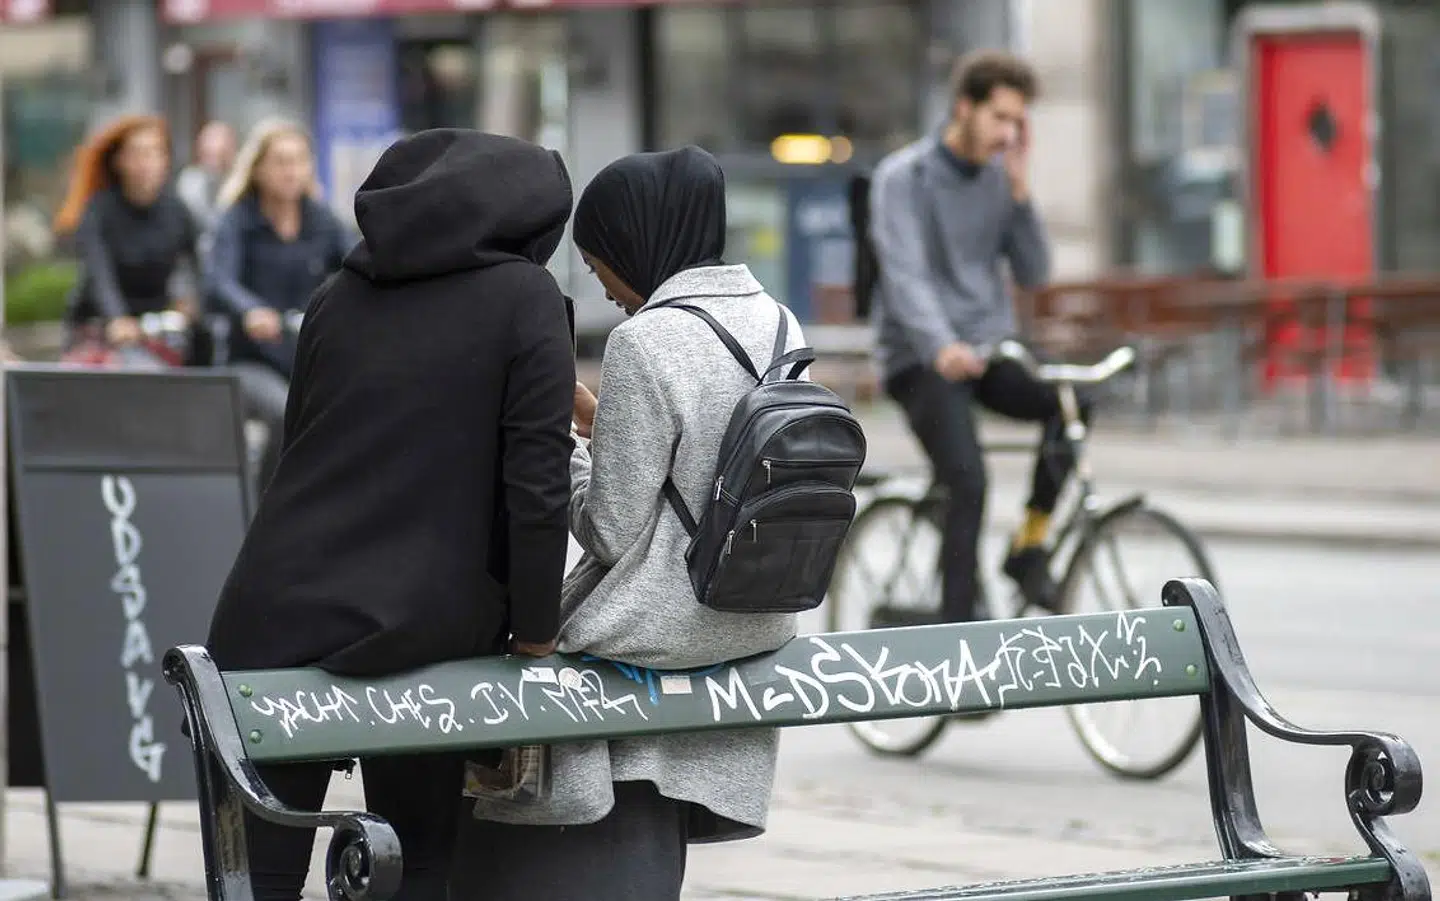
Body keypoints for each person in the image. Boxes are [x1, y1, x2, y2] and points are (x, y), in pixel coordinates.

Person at [203, 128, 576, 901]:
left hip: (272, 614)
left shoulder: (335, 296)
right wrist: (535, 633)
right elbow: (535, 486)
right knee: (416, 868)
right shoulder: (526, 297)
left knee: (258, 880)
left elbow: (299, 451)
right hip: (425, 629)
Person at [455, 146, 801, 901]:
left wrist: (569, 443)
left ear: (637, 241)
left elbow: (609, 528)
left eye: (598, 259)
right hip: (755, 616)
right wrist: (602, 418)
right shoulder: (778, 322)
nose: (604, 287)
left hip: (662, 622)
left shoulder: (646, 341)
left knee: (514, 649)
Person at [869, 50, 1080, 624]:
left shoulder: (998, 179)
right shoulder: (902, 179)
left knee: (1070, 404)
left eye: (1019, 123)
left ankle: (1029, 546)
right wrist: (940, 346)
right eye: (1000, 118)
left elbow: (1035, 272)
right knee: (968, 479)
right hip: (919, 358)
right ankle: (957, 644)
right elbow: (906, 276)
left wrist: (1020, 193)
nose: (1009, 133)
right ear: (965, 108)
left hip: (985, 351)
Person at [206, 119, 352, 489]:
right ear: (257, 169)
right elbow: (218, 281)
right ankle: (270, 505)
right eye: (281, 162)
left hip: (308, 355)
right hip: (250, 359)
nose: (291, 171)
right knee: (282, 410)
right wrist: (250, 311)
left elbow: (357, 262)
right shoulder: (237, 220)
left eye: (299, 161)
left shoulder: (322, 220)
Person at [53, 114, 201, 355]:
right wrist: (117, 318)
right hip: (100, 325)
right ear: (119, 161)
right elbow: (98, 271)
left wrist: (190, 303)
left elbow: (195, 265)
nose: (146, 163)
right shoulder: (99, 210)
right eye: (137, 154)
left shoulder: (177, 211)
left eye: (155, 153)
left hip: (155, 327)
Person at [176, 120, 236, 238]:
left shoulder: (240, 183)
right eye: (208, 154)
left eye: (220, 155)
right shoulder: (188, 181)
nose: (213, 163)